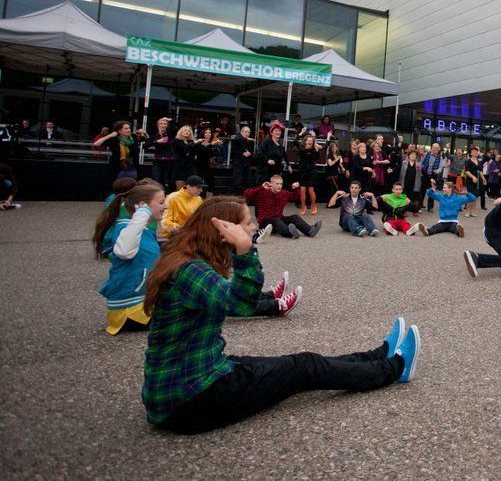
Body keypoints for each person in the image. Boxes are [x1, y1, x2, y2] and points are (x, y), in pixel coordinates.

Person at [141, 196, 418, 433]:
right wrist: (245, 251)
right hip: (190, 400)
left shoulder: (188, 260)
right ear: (225, 230)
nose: (253, 227)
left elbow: (234, 298)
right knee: (304, 366)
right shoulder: (190, 271)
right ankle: (395, 369)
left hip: (191, 381)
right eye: (247, 223)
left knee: (302, 363)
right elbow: (241, 304)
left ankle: (378, 355)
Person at [92, 182, 166, 334]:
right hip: (130, 311)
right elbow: (124, 252)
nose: (165, 206)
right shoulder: (127, 228)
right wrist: (142, 215)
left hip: (141, 304)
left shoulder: (142, 228)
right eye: (161, 202)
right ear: (143, 206)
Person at [244, 175, 323, 239]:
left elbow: (297, 197)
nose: (279, 186)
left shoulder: (283, 193)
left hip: (279, 220)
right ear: (271, 184)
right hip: (265, 223)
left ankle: (310, 231)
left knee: (294, 217)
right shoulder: (262, 193)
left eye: (281, 184)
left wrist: (296, 189)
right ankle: (290, 232)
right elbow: (246, 194)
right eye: (277, 184)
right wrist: (261, 188)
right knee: (276, 220)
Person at [145, 118, 176, 191]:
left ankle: (168, 194)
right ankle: (158, 194)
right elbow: (145, 146)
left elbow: (176, 127)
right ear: (158, 125)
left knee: (169, 181)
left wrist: (169, 120)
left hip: (169, 161)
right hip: (158, 161)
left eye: (165, 124)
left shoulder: (170, 134)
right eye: (161, 123)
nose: (163, 125)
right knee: (157, 180)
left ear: (167, 126)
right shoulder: (154, 135)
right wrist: (157, 141)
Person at [294, 133, 320, 215]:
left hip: (312, 171)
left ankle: (313, 206)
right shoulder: (301, 148)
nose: (310, 142)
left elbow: (317, 157)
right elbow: (295, 141)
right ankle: (303, 206)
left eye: (311, 141)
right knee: (302, 190)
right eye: (308, 140)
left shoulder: (313, 149)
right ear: (305, 141)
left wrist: (317, 150)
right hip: (302, 171)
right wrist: (301, 132)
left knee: (311, 189)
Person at [420, 143, 448, 212]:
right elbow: (421, 163)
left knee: (432, 191)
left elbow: (441, 167)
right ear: (431, 148)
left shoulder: (440, 157)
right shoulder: (426, 154)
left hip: (433, 175)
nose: (436, 149)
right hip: (425, 175)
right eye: (435, 147)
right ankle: (419, 206)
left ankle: (430, 207)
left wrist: (438, 171)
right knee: (422, 191)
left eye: (437, 148)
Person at [194, 127, 221, 195]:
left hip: (207, 165)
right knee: (198, 183)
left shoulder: (210, 142)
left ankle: (208, 199)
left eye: (209, 133)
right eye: (206, 133)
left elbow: (209, 153)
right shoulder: (200, 141)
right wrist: (212, 144)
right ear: (203, 134)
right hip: (199, 165)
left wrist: (213, 159)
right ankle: (197, 198)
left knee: (211, 183)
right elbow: (203, 150)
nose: (208, 134)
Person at [230, 125, 256, 194]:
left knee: (247, 182)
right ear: (241, 132)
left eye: (248, 132)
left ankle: (246, 197)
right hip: (238, 164)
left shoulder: (246, 141)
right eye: (246, 132)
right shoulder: (238, 138)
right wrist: (248, 139)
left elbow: (249, 152)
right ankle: (229, 196)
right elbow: (238, 139)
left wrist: (249, 154)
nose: (247, 133)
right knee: (236, 182)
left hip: (246, 164)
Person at [171, 125, 198, 190]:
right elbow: (185, 148)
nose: (187, 132)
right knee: (181, 189)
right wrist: (194, 143)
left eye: (189, 131)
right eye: (185, 130)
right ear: (181, 132)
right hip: (180, 167)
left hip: (190, 167)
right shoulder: (176, 141)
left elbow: (195, 153)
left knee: (191, 188)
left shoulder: (191, 142)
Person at [398, 148, 424, 213]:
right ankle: (404, 211)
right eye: (412, 154)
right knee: (404, 196)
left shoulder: (418, 164)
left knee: (414, 197)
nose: (413, 156)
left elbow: (423, 172)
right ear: (409, 155)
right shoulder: (404, 163)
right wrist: (391, 170)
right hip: (405, 182)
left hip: (414, 183)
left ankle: (415, 210)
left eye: (415, 155)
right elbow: (397, 169)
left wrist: (430, 178)